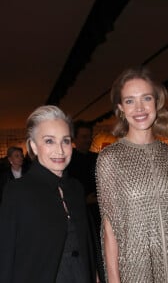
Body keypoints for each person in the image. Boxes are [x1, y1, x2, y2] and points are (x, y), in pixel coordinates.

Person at [96, 67, 168, 282]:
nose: (139, 108)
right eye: (130, 101)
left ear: (157, 102)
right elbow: (109, 228)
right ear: (121, 108)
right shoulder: (110, 158)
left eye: (146, 98)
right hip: (136, 270)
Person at [0, 105, 97, 283]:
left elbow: (88, 244)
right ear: (34, 147)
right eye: (49, 141)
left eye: (66, 140)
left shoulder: (76, 188)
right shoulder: (17, 191)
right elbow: (5, 254)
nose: (60, 150)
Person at [68, 119, 105, 282]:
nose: (87, 140)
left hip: (100, 214)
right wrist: (84, 200)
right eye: (83, 137)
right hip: (80, 215)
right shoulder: (67, 161)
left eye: (89, 136)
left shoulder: (98, 158)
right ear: (74, 139)